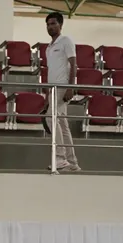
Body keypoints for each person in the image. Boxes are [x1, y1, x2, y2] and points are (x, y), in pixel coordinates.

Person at [45, 11, 79, 174]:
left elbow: (73, 64)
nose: (50, 27)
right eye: (48, 24)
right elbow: (52, 70)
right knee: (63, 125)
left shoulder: (66, 41)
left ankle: (60, 158)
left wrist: (70, 87)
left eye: (53, 23)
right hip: (53, 88)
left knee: (50, 118)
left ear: (60, 25)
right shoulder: (49, 47)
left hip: (62, 87)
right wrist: (47, 93)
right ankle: (72, 162)